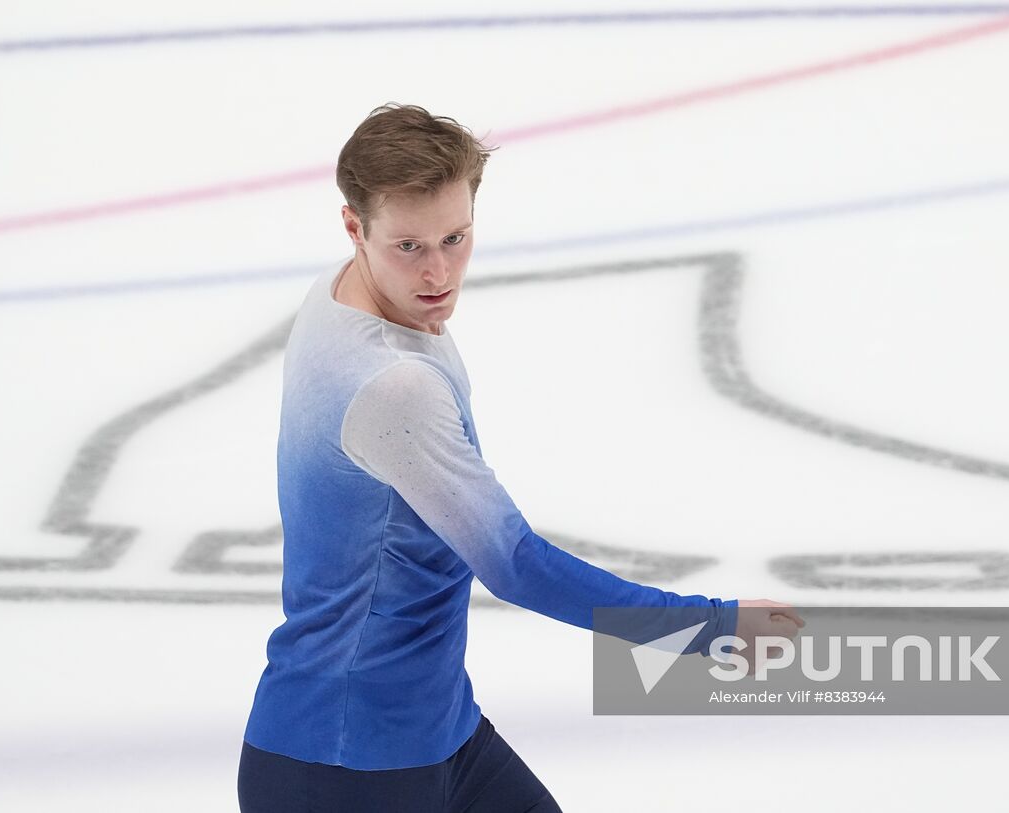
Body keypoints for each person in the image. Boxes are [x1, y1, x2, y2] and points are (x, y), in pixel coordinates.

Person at [238, 103, 804, 812]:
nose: (438, 272)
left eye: (456, 237)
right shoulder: (391, 385)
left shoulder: (348, 292)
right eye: (408, 247)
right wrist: (708, 628)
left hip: (435, 731)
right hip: (347, 768)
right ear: (354, 227)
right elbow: (514, 564)